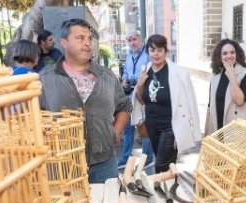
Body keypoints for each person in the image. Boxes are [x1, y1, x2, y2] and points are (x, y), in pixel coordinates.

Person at [39, 18, 131, 184]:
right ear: (64, 43)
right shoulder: (45, 79)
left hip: (104, 164)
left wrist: (117, 130)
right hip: (64, 165)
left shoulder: (107, 76)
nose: (88, 43)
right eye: (80, 38)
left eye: (89, 38)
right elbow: (34, 117)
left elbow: (124, 105)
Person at [132, 34, 200, 173]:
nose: (155, 54)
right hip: (151, 125)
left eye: (159, 50)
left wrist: (183, 132)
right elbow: (142, 100)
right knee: (167, 165)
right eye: (152, 50)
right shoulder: (145, 71)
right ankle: (169, 191)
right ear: (148, 52)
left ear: (165, 51)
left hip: (170, 127)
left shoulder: (179, 73)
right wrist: (139, 84)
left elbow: (190, 103)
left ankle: (161, 191)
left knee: (161, 166)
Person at [118, 30, 154, 169]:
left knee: (142, 125)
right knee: (128, 127)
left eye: (135, 39)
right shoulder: (128, 55)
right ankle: (126, 158)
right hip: (129, 94)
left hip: (143, 94)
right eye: (129, 40)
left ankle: (147, 158)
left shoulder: (148, 54)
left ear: (141, 39)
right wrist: (124, 79)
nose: (132, 42)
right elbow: (126, 71)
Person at [204, 38, 246, 136]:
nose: (229, 56)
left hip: (236, 132)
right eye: (225, 53)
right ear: (220, 56)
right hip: (217, 129)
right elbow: (210, 105)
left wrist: (231, 76)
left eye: (232, 52)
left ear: (237, 54)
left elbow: (239, 101)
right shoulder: (215, 75)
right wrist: (206, 131)